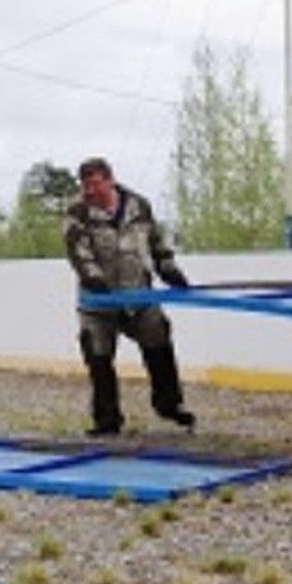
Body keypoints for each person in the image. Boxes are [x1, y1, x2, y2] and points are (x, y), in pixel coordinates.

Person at [63, 157, 195, 436]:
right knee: (98, 358)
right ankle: (107, 421)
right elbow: (78, 253)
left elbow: (157, 244)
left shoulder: (139, 206)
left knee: (159, 342)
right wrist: (95, 281)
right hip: (98, 303)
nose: (90, 191)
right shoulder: (77, 213)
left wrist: (171, 273)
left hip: (138, 295)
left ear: (110, 180)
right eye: (85, 186)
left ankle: (169, 405)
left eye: (95, 184)